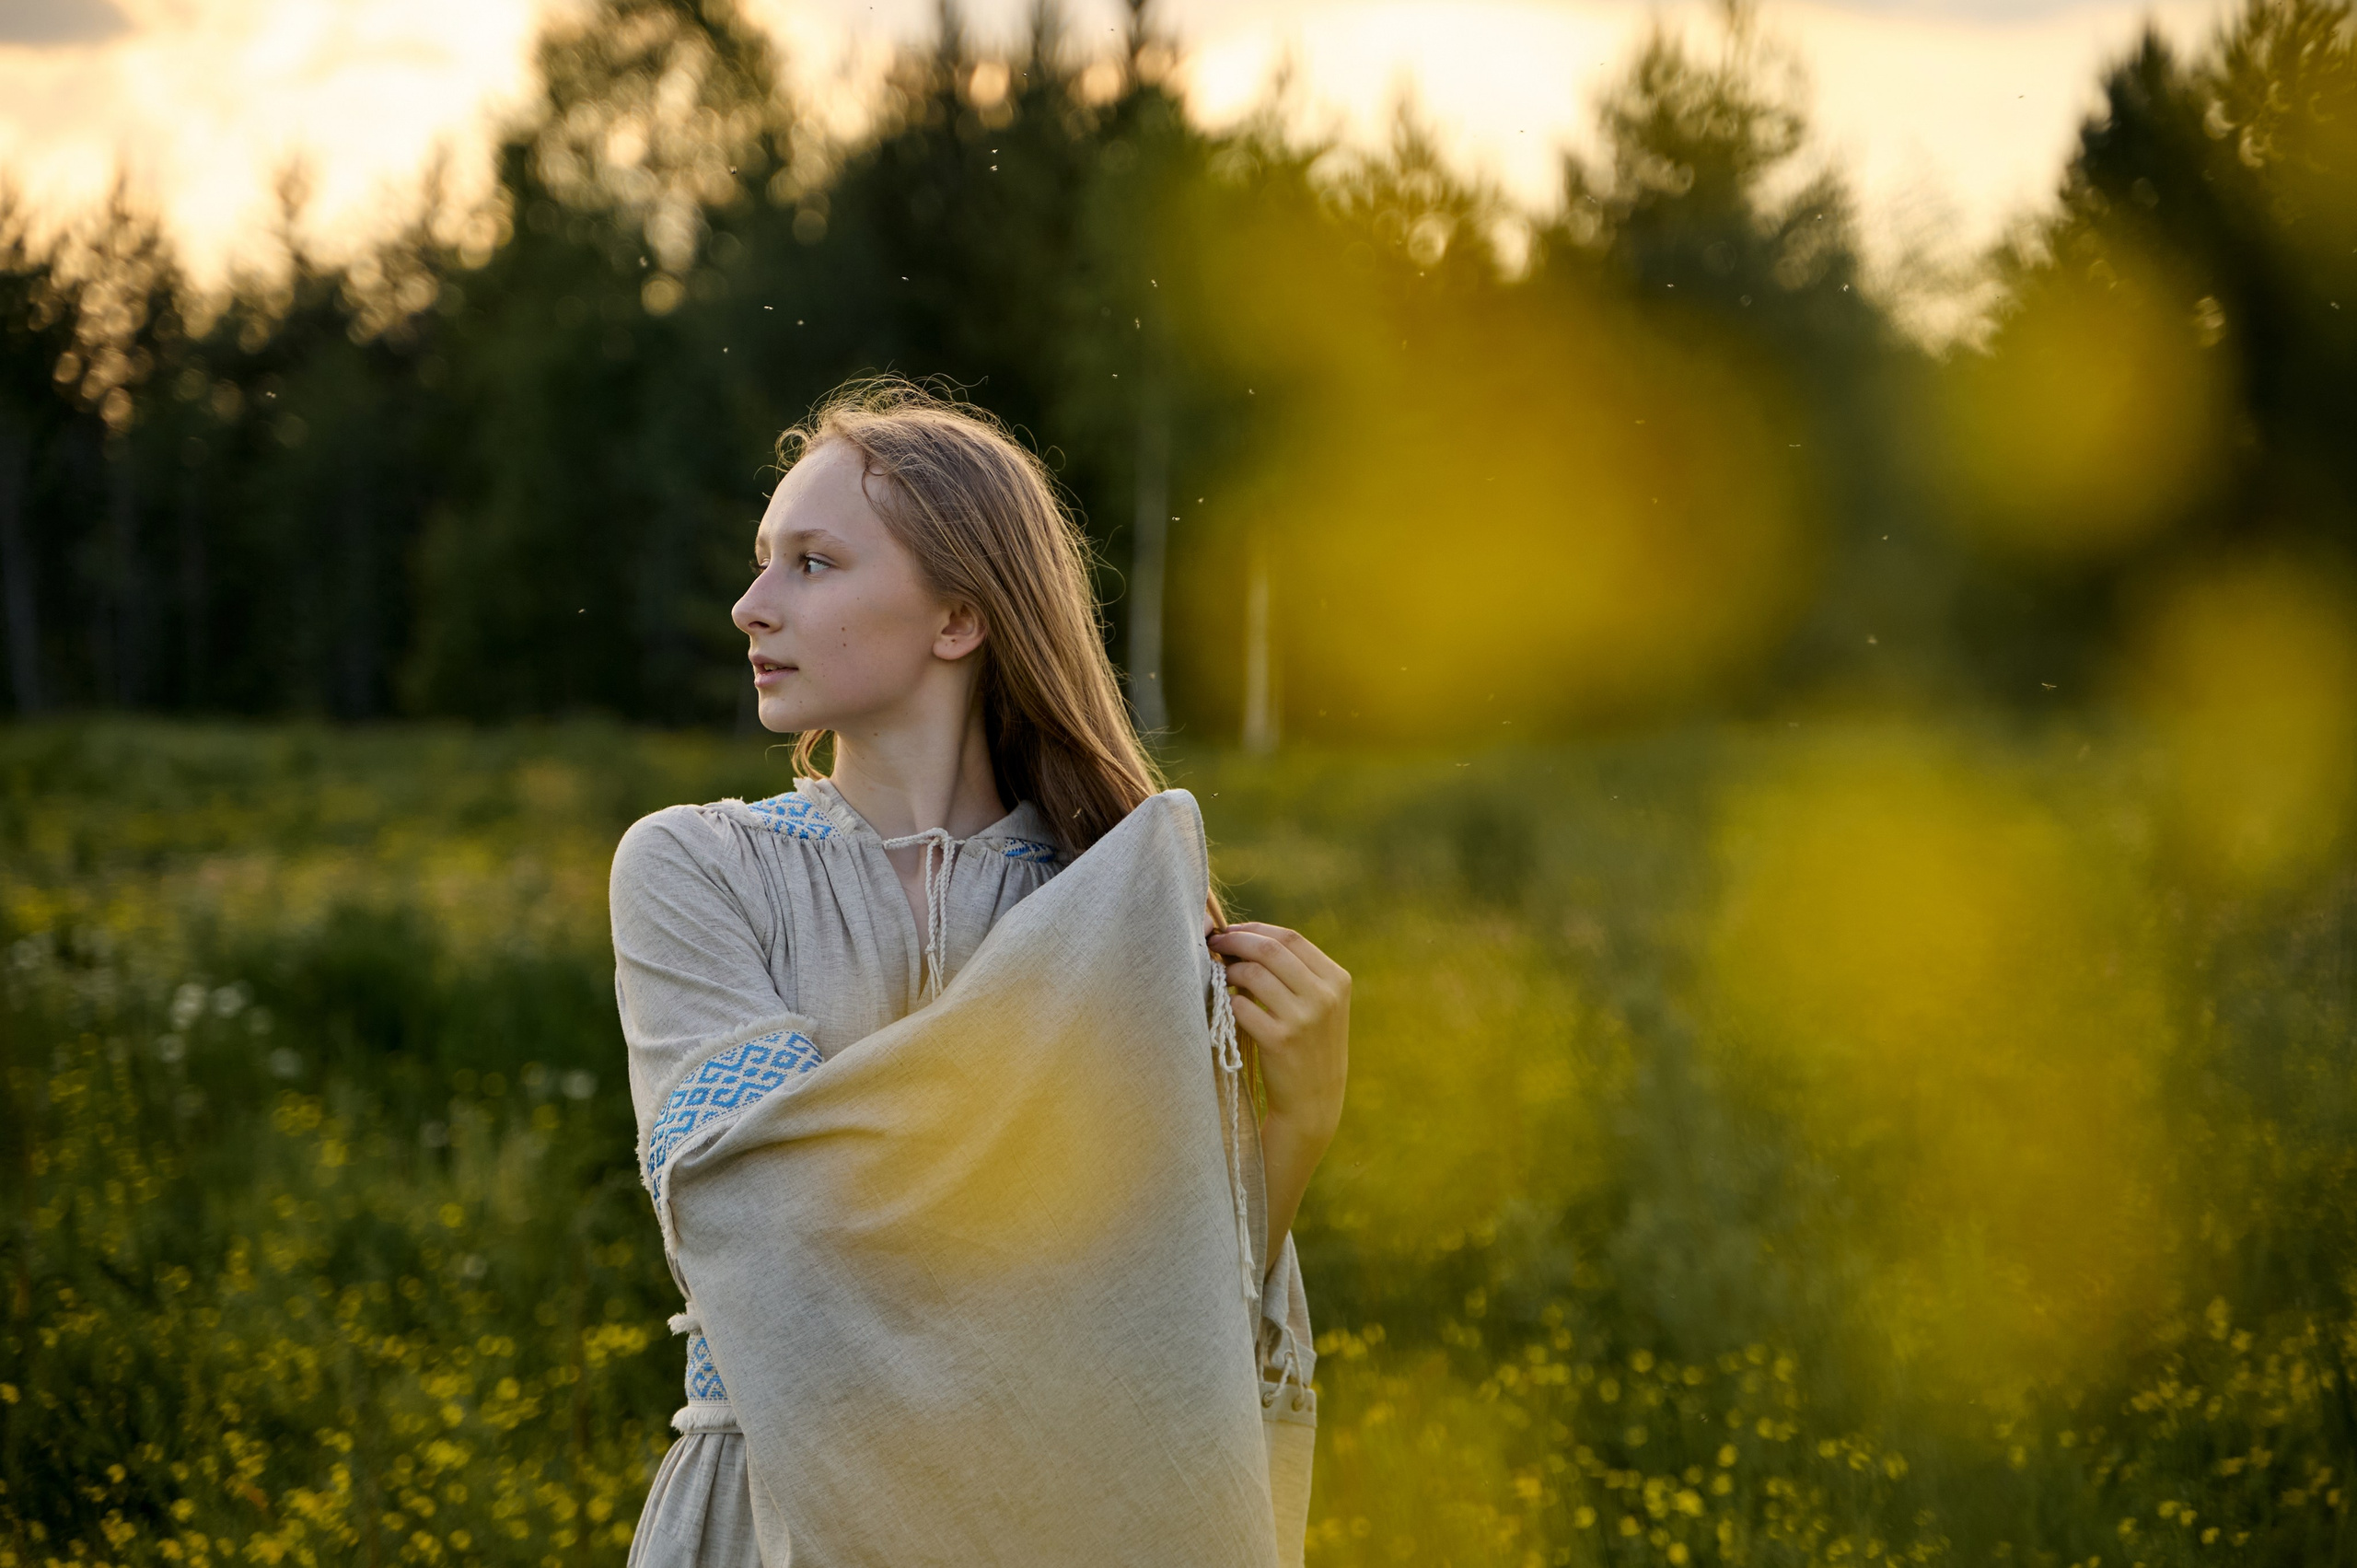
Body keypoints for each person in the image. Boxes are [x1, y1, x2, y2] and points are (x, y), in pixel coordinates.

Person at [610, 376, 1350, 1564]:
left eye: (812, 563)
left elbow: (1171, 1338)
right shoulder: (698, 875)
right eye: (762, 561)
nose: (750, 606)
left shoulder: (1112, 902)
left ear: (958, 619)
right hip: (772, 1521)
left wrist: (1296, 1128)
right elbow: (787, 1257)